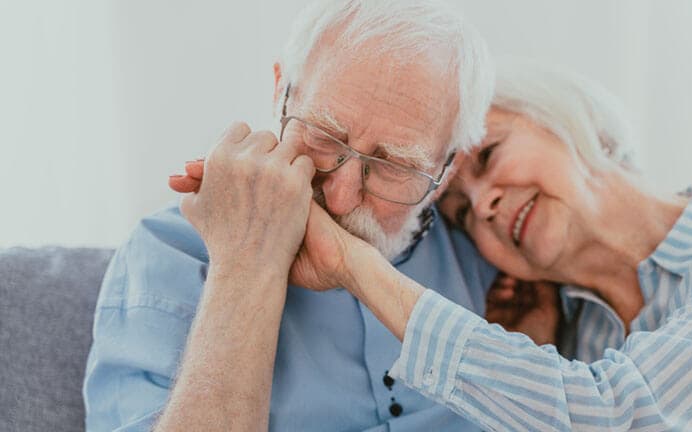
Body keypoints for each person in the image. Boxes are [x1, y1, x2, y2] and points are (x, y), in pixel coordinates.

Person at [82, 1, 498, 431]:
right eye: (323, 136)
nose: (340, 197)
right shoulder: (170, 253)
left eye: (394, 164)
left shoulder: (483, 253)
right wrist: (244, 264)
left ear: (448, 169)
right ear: (281, 92)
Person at [260, 59, 692, 431]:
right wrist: (545, 344)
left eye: (490, 155)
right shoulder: (579, 332)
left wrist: (353, 265)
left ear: (558, 115)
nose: (483, 207)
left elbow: (623, 416)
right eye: (461, 215)